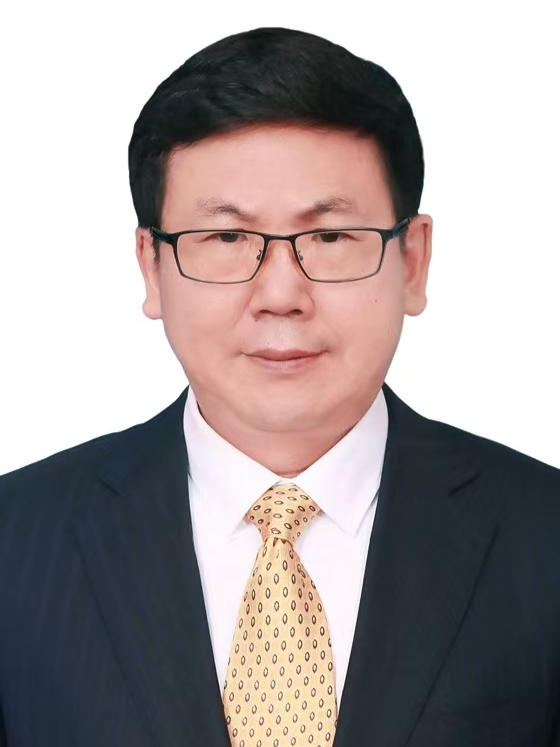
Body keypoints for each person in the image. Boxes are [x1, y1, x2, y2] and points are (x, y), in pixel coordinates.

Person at [0, 25, 558, 747]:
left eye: (329, 237)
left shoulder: (543, 536)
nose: (282, 295)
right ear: (151, 268)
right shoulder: (17, 544)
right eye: (228, 239)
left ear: (413, 261)